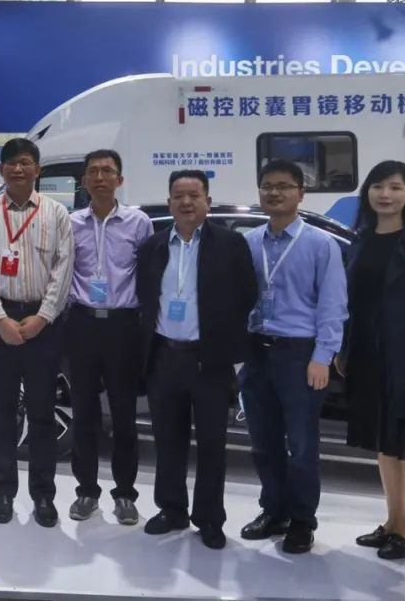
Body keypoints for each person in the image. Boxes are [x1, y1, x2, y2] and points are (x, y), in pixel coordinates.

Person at [136, 170, 257, 550]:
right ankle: (171, 509)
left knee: (211, 444)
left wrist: (225, 344)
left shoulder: (231, 245)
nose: (186, 202)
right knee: (167, 441)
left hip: (210, 361)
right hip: (164, 358)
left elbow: (247, 295)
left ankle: (209, 518)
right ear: (169, 201)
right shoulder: (153, 246)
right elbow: (145, 298)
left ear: (208, 201)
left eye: (194, 195)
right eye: (178, 195)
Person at [239, 159, 348, 554]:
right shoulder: (249, 242)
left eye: (284, 186)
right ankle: (274, 510)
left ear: (301, 193)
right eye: (267, 185)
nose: (274, 192)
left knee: (301, 444)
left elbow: (333, 306)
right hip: (256, 350)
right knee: (262, 441)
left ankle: (302, 520)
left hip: (300, 354)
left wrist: (323, 356)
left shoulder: (320, 244)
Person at [340, 160, 405, 560]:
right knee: (385, 444)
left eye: (395, 187)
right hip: (369, 354)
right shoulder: (362, 239)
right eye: (378, 186)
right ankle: (391, 522)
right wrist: (344, 350)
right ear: (367, 192)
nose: (385, 194)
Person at [0, 138, 73, 527]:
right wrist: (0, 319)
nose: (18, 169)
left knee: (42, 412)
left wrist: (42, 317)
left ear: (37, 170)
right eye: (11, 163)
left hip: (43, 324)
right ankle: (3, 491)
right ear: (1, 170)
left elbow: (63, 268)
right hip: (0, 324)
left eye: (26, 162)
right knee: (1, 412)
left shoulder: (56, 213)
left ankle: (43, 495)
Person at [66, 150, 152, 525]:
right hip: (83, 325)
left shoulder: (139, 223)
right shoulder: (71, 223)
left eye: (107, 171)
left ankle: (125, 494)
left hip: (122, 326)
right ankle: (86, 491)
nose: (100, 178)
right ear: (84, 180)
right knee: (84, 413)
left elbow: (148, 274)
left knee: (124, 415)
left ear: (120, 179)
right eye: (93, 172)